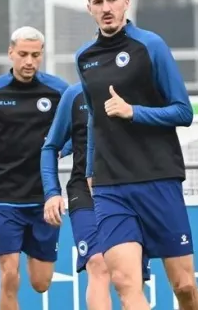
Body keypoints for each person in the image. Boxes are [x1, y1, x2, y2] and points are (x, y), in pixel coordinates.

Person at [74, 0, 198, 310]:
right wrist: (91, 169)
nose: (106, 8)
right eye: (98, 2)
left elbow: (183, 112)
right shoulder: (84, 58)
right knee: (124, 282)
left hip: (158, 178)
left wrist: (135, 112)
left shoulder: (150, 46)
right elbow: (93, 119)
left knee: (185, 285)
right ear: (89, 8)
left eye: (112, 0)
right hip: (111, 186)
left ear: (126, 2)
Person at [0, 26, 69, 310]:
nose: (29, 62)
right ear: (11, 53)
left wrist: (62, 150)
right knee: (9, 274)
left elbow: (79, 130)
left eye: (35, 55)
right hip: (4, 197)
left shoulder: (59, 90)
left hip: (44, 199)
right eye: (22, 54)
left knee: (40, 282)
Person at [41, 82, 151, 310]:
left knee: (129, 278)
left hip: (129, 191)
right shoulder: (74, 94)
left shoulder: (141, 85)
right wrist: (52, 193)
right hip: (85, 191)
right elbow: (50, 146)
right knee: (97, 262)